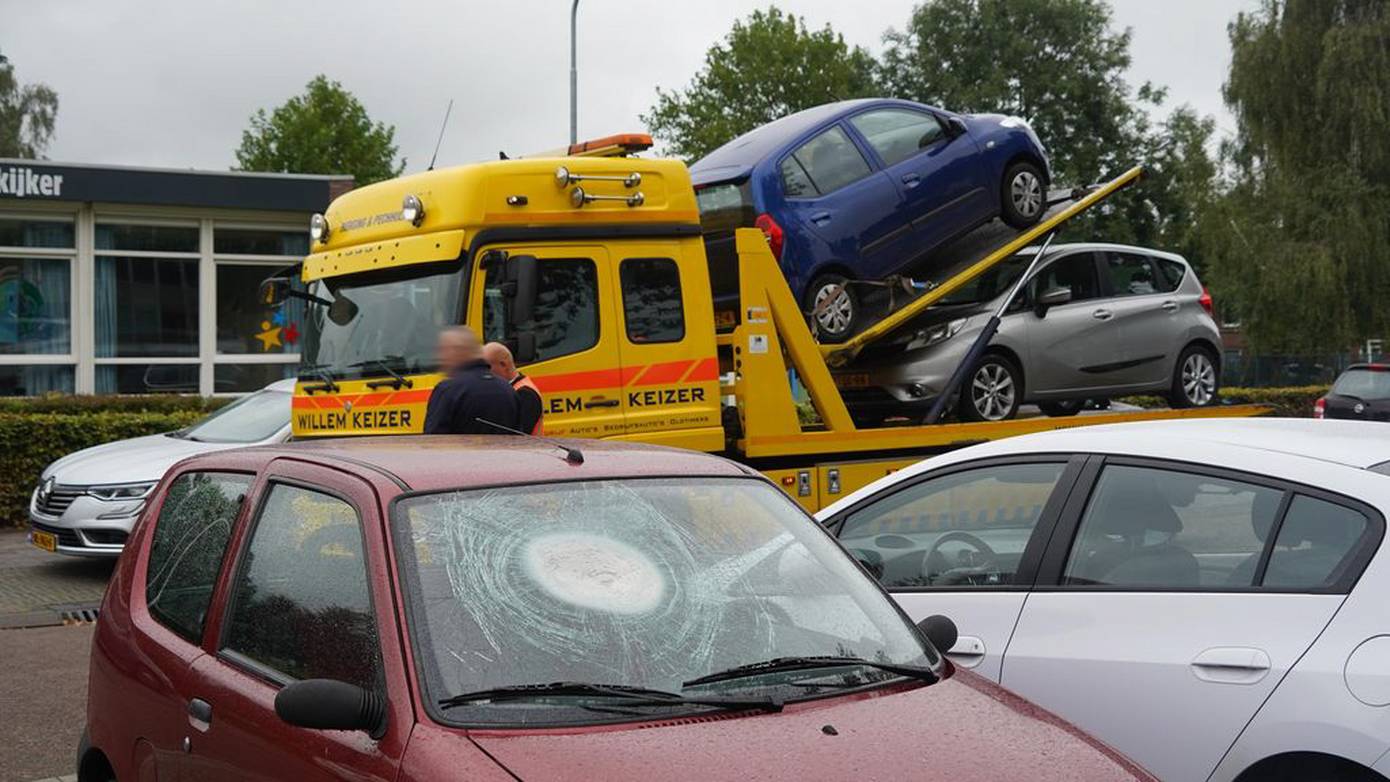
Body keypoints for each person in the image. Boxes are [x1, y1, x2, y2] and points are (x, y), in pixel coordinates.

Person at [423, 326, 521, 435]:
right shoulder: (508, 390)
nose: (440, 357)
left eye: (443, 350)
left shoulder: (448, 390)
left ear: (457, 351)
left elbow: (433, 441)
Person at [484, 341, 544, 435]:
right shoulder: (514, 389)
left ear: (503, 365)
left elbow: (518, 434)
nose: (484, 372)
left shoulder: (525, 393)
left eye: (487, 367)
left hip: (526, 449)